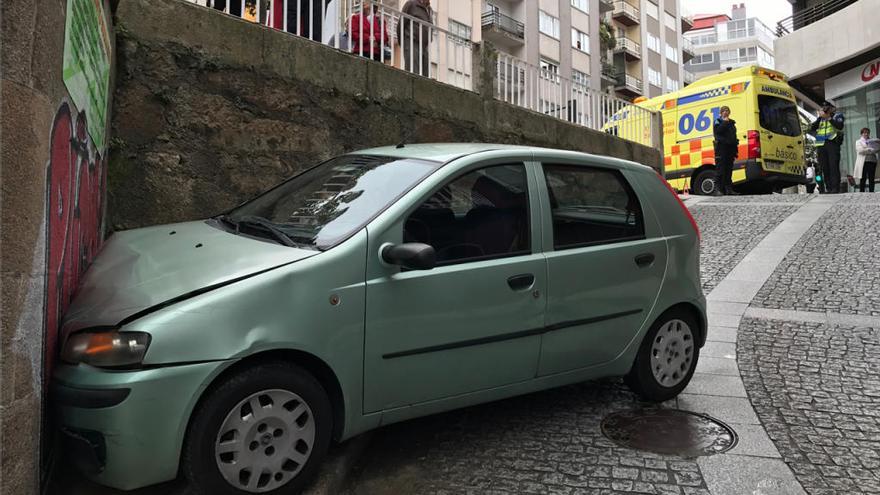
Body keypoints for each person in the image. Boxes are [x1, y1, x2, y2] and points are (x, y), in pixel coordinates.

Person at [808, 100, 845, 193]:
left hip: (832, 143)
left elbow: (839, 126)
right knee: (825, 167)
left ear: (831, 108)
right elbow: (812, 128)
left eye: (827, 108)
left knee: (833, 166)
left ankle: (835, 188)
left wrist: (828, 117)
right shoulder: (821, 118)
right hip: (821, 144)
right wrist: (820, 117)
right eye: (823, 108)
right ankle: (828, 187)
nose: (825, 109)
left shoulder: (837, 115)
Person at [401, 0, 433, 77]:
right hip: (412, 41)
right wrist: (405, 43)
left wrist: (430, 38)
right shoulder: (411, 4)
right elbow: (401, 24)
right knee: (413, 71)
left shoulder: (430, 9)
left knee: (426, 73)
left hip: (424, 45)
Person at [712, 105, 738, 195]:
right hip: (721, 149)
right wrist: (724, 123)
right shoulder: (718, 121)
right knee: (720, 169)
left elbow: (733, 136)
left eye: (727, 110)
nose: (725, 112)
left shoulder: (732, 123)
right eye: (724, 111)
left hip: (730, 149)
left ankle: (729, 189)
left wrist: (735, 149)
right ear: (721, 113)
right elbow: (718, 132)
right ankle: (718, 189)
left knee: (729, 170)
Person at [854, 127, 878, 193]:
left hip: (872, 161)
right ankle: (862, 192)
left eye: (867, 133)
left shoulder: (872, 141)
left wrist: (869, 150)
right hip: (863, 162)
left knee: (871, 177)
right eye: (864, 133)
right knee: (863, 177)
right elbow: (860, 150)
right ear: (861, 134)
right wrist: (869, 150)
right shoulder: (858, 141)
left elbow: (876, 149)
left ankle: (871, 191)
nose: (866, 134)